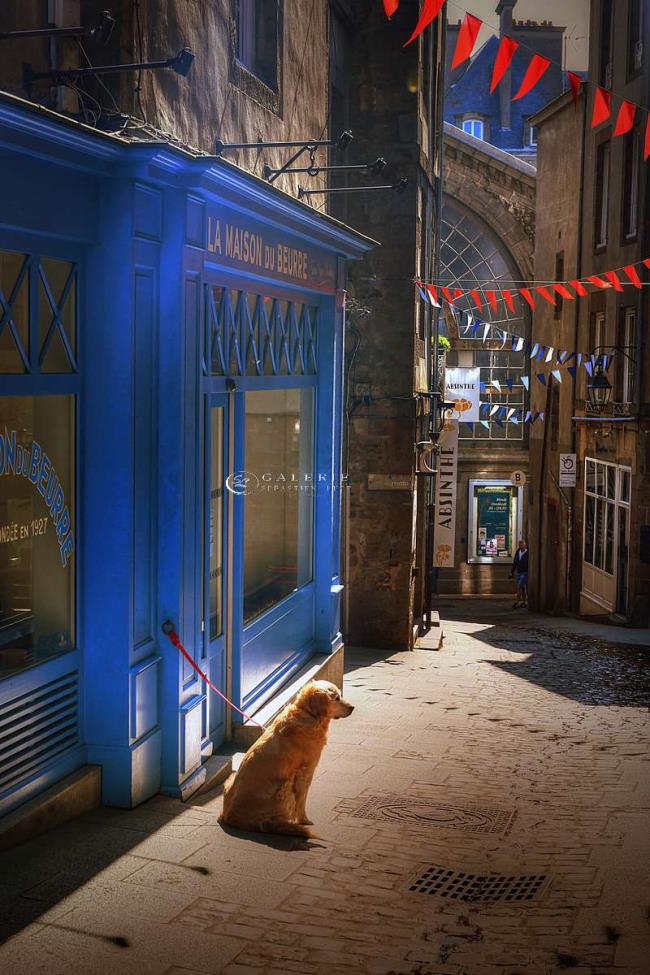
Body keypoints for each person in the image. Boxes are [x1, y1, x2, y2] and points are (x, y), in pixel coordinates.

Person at [510, 539, 528, 609]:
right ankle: (524, 602)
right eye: (520, 546)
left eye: (522, 545)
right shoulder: (518, 552)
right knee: (523, 588)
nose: (521, 547)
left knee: (519, 587)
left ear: (525, 545)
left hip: (525, 572)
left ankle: (517, 602)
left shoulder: (527, 553)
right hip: (519, 572)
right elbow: (515, 562)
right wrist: (511, 572)